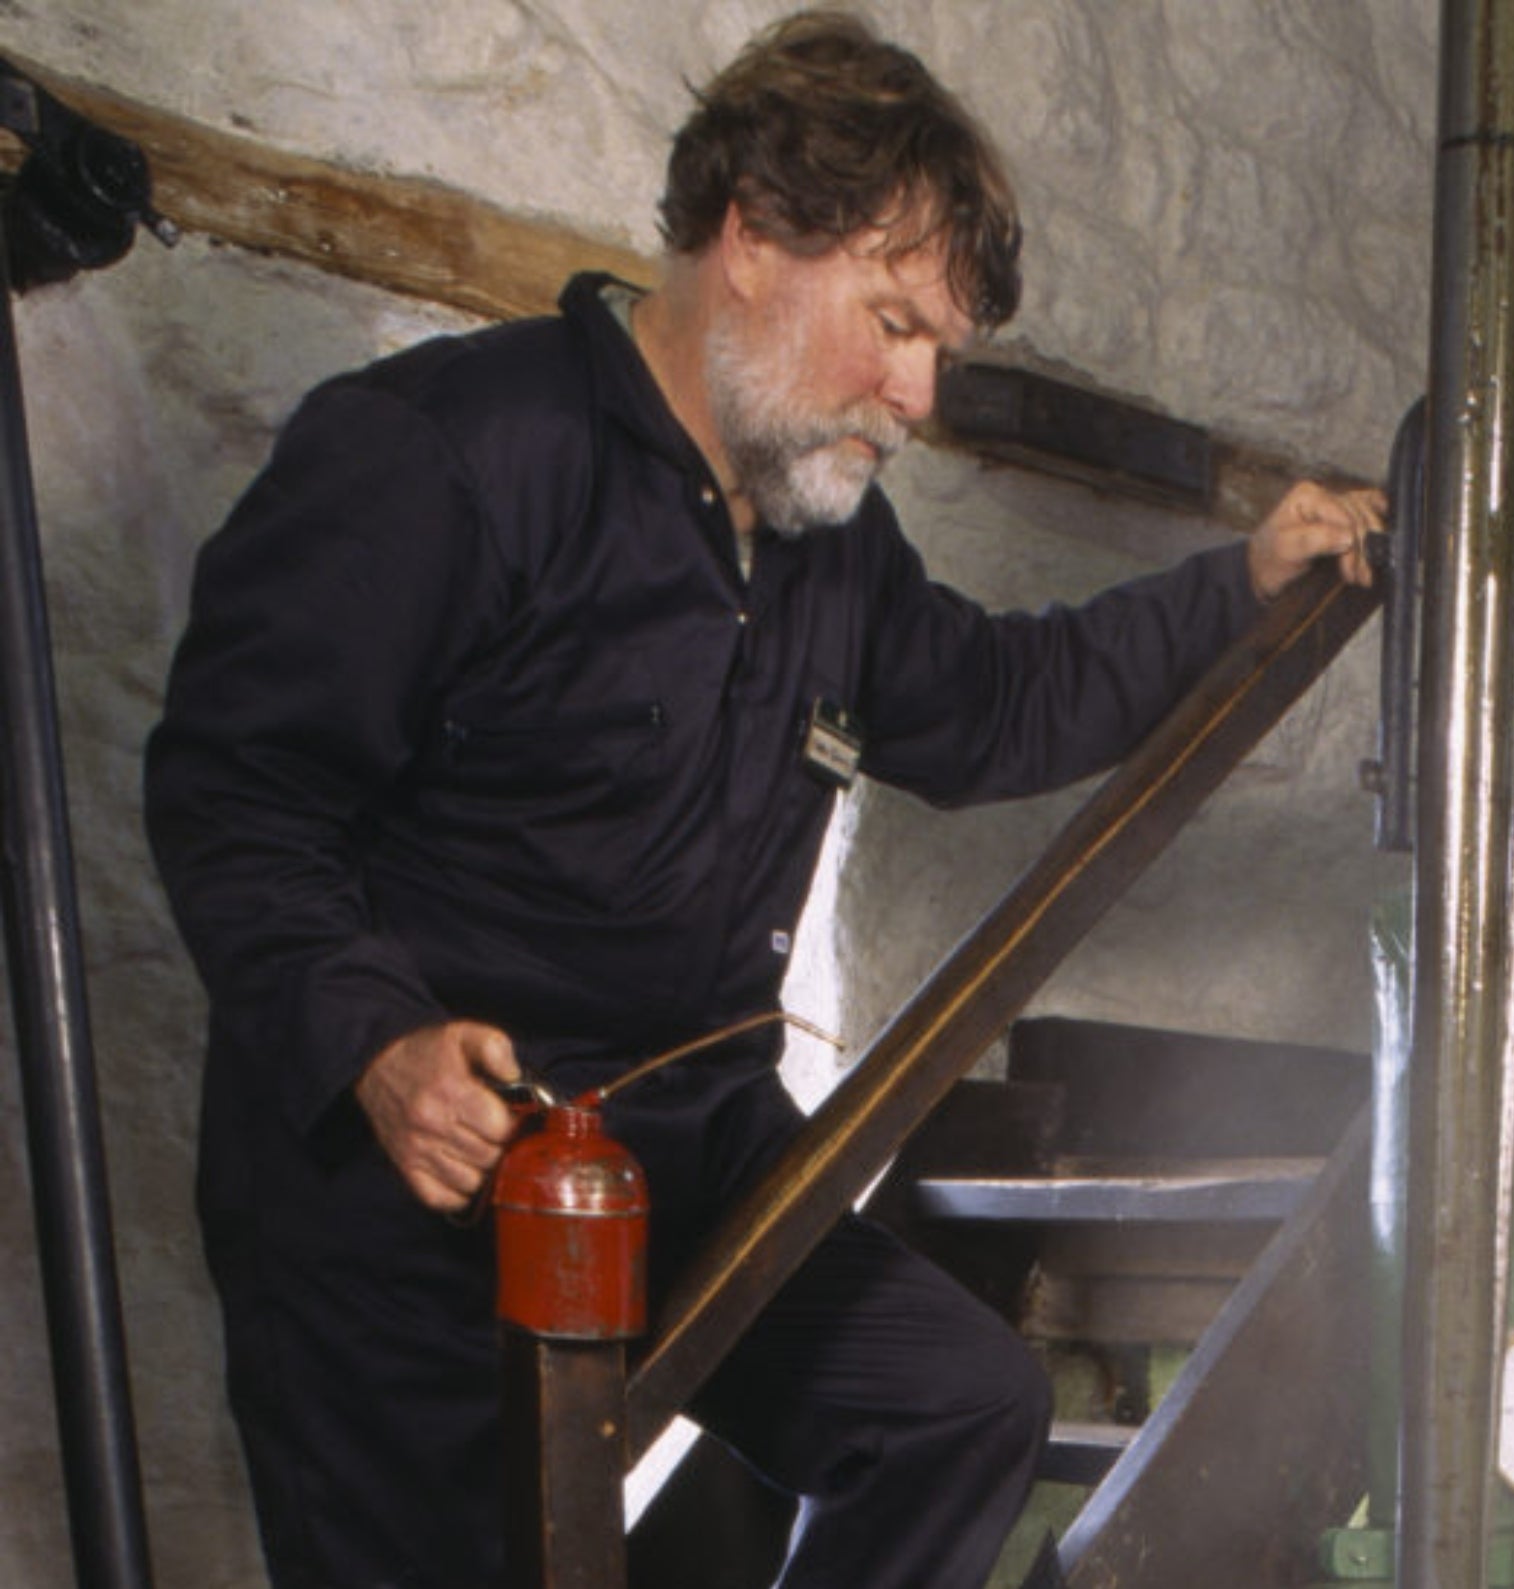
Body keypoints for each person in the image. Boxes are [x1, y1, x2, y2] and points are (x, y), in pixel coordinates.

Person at [141, 13, 1381, 1587]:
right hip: (409, 1221)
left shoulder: (828, 547)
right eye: (892, 320)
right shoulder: (448, 453)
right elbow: (233, 784)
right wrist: (376, 1045)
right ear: (749, 239)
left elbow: (997, 700)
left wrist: (1239, 590)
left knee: (956, 1405)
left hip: (692, 1159)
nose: (919, 391)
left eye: (939, 347)